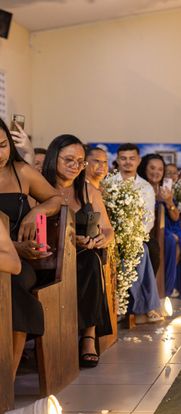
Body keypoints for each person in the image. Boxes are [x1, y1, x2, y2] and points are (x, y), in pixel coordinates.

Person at [41, 135, 115, 367]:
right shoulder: (40, 186)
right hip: (49, 254)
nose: (75, 166)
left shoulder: (88, 191)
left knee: (91, 262)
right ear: (54, 158)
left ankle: (88, 336)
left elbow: (107, 229)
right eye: (69, 160)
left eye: (80, 162)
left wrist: (101, 238)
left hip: (84, 254)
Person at [0, 118, 63, 379]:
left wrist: (35, 209)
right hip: (5, 253)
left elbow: (56, 198)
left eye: (2, 145)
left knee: (13, 287)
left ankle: (7, 378)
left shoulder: (21, 172)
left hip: (23, 262)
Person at [115, 143, 163, 322]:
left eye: (132, 158)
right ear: (118, 160)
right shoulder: (108, 183)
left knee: (140, 250)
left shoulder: (145, 187)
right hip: (113, 234)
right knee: (139, 252)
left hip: (136, 235)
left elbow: (148, 219)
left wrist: (132, 237)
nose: (128, 162)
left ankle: (126, 305)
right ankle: (140, 305)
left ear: (138, 160)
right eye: (123, 158)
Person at [138, 154, 181, 299]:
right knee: (170, 240)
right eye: (152, 168)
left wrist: (169, 201)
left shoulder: (165, 188)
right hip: (152, 228)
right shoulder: (140, 187)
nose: (156, 172)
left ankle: (173, 283)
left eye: (160, 169)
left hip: (169, 225)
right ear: (145, 168)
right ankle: (165, 286)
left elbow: (176, 217)